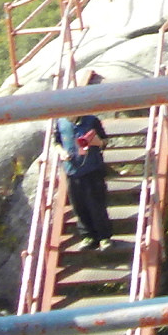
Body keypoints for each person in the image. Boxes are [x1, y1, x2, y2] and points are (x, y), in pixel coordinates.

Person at [57, 83, 114, 250]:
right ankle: (88, 236)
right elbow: (56, 143)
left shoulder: (91, 120)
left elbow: (105, 141)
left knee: (97, 204)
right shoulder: (60, 122)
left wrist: (97, 142)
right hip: (72, 170)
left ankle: (104, 237)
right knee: (79, 206)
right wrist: (62, 153)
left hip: (93, 169)